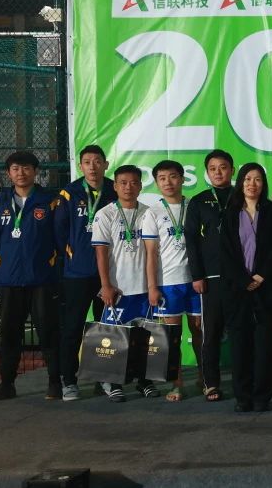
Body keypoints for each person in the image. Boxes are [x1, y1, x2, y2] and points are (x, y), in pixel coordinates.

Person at [0, 151, 61, 402]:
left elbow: (59, 237)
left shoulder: (50, 201)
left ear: (36, 171)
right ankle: (7, 384)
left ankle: (55, 383)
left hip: (42, 279)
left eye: (26, 168)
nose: (21, 173)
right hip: (9, 280)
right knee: (9, 334)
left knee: (49, 332)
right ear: (9, 173)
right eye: (15, 168)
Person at [219, 163, 272, 412]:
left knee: (265, 346)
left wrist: (261, 275)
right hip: (237, 291)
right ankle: (243, 397)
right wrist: (243, 279)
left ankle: (261, 397)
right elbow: (225, 253)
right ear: (240, 182)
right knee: (240, 346)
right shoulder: (230, 213)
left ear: (263, 184)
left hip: (266, 289)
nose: (252, 184)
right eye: (247, 179)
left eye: (257, 179)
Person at [91, 165, 159, 402]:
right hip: (118, 289)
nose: (128, 187)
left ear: (140, 185)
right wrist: (105, 285)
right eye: (123, 182)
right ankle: (112, 381)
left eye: (133, 182)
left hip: (145, 288)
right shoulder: (105, 214)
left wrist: (153, 286)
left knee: (145, 338)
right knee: (114, 338)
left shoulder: (149, 213)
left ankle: (144, 380)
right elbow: (100, 253)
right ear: (115, 186)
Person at [54, 144, 116, 401]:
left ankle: (106, 378)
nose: (92, 166)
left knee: (106, 329)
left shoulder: (115, 190)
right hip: (77, 274)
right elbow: (59, 231)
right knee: (72, 328)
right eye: (87, 162)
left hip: (109, 275)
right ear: (80, 166)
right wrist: (72, 255)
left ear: (105, 164)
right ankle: (69, 381)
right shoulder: (69, 193)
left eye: (97, 161)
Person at [142, 160, 203, 402]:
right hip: (168, 283)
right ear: (157, 182)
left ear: (182, 179)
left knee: (199, 332)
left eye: (173, 176)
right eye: (162, 178)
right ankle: (177, 384)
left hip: (195, 280)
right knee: (173, 336)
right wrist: (152, 287)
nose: (168, 182)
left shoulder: (194, 206)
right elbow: (150, 254)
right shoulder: (153, 212)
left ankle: (205, 378)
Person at [184, 149, 235, 402]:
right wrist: (197, 275)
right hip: (211, 278)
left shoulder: (243, 196)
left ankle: (243, 379)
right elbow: (191, 241)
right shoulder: (199, 201)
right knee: (211, 334)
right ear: (207, 172)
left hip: (240, 278)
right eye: (213, 168)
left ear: (232, 170)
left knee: (240, 332)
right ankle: (211, 383)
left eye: (223, 167)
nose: (218, 172)